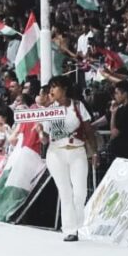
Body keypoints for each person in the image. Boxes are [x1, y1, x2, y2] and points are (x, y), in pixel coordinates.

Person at [40, 76, 97, 242]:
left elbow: (88, 130)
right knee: (65, 191)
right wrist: (40, 132)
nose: (51, 91)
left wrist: (94, 152)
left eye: (55, 87)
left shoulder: (78, 106)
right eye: (50, 88)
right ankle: (70, 230)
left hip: (77, 150)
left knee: (80, 192)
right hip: (56, 152)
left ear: (64, 89)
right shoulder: (49, 109)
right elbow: (44, 137)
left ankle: (78, 224)